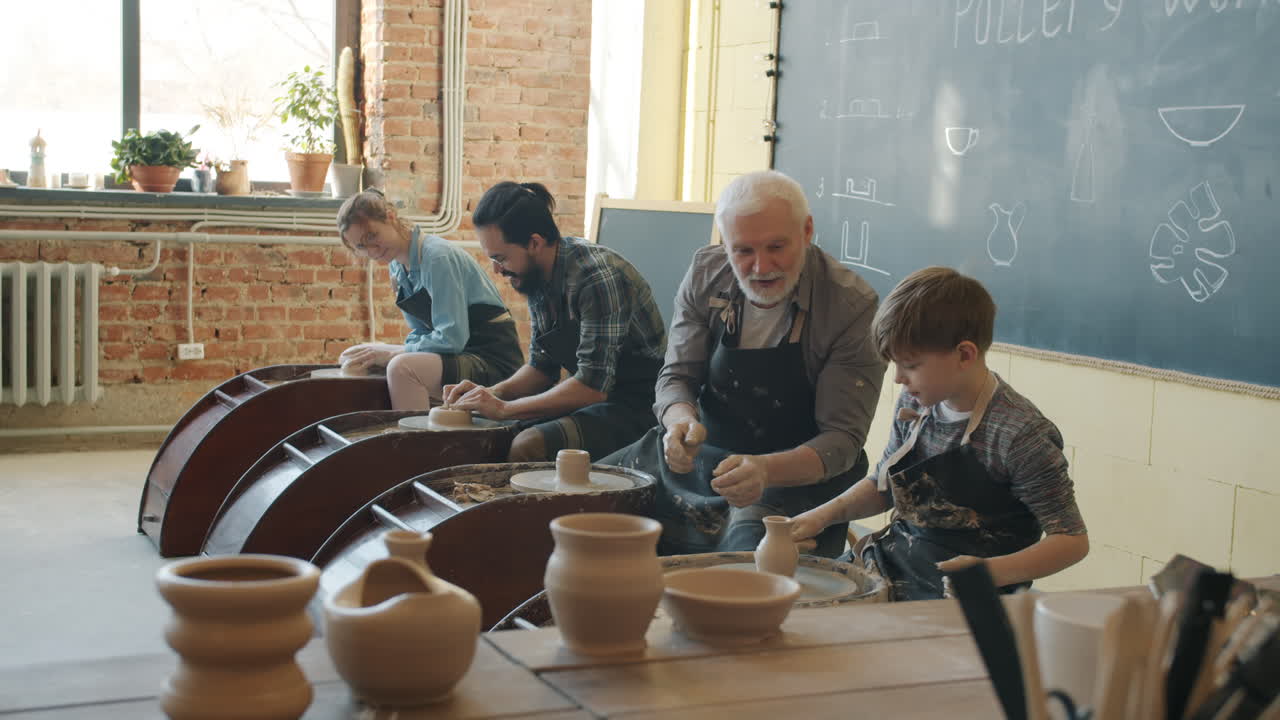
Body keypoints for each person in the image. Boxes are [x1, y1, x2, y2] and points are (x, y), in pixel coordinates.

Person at [603, 170, 887, 557]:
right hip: (708, 452)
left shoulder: (850, 306)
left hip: (792, 471)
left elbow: (842, 441)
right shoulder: (707, 272)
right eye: (744, 251)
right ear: (725, 242)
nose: (760, 266)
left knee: (743, 558)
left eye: (776, 247)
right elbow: (676, 376)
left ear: (806, 231)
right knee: (586, 498)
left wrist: (767, 469)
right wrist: (678, 423)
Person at [791, 266, 1090, 601]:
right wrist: (818, 517)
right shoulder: (915, 403)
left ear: (964, 355)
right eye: (895, 365)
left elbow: (1072, 541)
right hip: (895, 564)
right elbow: (883, 486)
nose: (899, 379)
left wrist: (990, 571)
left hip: (967, 595)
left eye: (911, 365)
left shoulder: (1019, 435)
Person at [443, 181, 667, 462]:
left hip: (639, 406)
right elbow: (541, 368)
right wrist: (489, 393)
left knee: (527, 445)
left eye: (500, 258)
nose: (497, 270)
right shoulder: (536, 276)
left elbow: (592, 387)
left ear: (534, 243)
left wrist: (503, 409)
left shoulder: (596, 278)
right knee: (488, 434)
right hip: (596, 396)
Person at [335, 189, 523, 409]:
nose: (371, 250)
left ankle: (415, 440)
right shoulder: (397, 266)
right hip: (459, 353)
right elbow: (422, 333)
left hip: (491, 358)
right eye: (361, 246)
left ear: (390, 217)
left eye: (372, 236)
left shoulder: (437, 257)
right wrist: (383, 352)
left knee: (400, 367)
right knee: (358, 357)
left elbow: (452, 338)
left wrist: (391, 353)